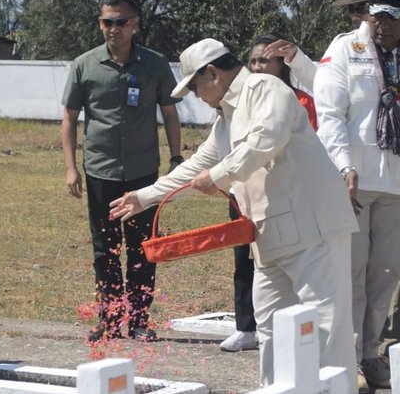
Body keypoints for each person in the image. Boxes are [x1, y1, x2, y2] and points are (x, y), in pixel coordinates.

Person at [110, 38, 359, 392]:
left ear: (212, 73)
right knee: (271, 330)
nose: (195, 95)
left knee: (328, 328)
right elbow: (198, 165)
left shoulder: (265, 88)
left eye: (194, 86)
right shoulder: (226, 117)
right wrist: (145, 196)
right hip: (269, 236)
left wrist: (220, 176)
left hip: (315, 229)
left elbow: (266, 139)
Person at [61, 0, 183, 343]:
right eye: (107, 22)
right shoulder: (85, 65)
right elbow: (69, 119)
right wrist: (71, 168)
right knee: (105, 250)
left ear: (135, 24)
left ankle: (141, 320)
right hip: (101, 171)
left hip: (144, 174)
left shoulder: (155, 64)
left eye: (121, 21)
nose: (113, 28)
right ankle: (111, 320)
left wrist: (176, 160)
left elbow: (170, 114)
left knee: (144, 247)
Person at [313, 0, 400, 391]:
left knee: (385, 273)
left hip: (397, 186)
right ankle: (345, 357)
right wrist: (343, 166)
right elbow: (330, 115)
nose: (382, 24)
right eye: (379, 14)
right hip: (356, 182)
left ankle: (371, 351)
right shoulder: (347, 48)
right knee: (352, 273)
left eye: (393, 17)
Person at [219, 34, 318, 353]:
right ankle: (246, 326)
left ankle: (299, 327)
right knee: (244, 260)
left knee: (285, 266)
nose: (258, 66)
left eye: (265, 60)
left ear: (282, 64)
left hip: (286, 197)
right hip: (244, 194)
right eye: (253, 60)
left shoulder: (300, 100)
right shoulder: (239, 103)